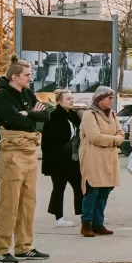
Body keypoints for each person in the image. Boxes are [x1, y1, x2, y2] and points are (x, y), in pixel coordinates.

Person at [0, 61, 51, 263]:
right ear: (14, 77)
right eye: (26, 74)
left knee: (28, 202)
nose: (29, 77)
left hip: (29, 150)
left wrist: (29, 114)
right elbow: (15, 120)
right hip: (12, 151)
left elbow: (45, 115)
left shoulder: (27, 92)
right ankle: (1, 249)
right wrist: (29, 116)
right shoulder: (2, 95)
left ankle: (24, 246)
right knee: (8, 203)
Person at [77, 87, 125, 236]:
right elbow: (95, 136)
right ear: (100, 98)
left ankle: (98, 223)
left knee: (105, 191)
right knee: (92, 191)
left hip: (109, 157)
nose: (112, 100)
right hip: (93, 156)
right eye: (109, 98)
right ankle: (86, 224)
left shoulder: (112, 115)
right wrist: (114, 140)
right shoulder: (89, 115)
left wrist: (115, 139)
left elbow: (121, 133)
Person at [40, 90, 84, 228]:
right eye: (68, 99)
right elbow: (49, 141)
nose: (71, 101)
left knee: (79, 186)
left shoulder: (72, 115)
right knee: (59, 188)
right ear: (59, 101)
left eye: (72, 98)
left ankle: (84, 213)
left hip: (72, 158)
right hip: (58, 159)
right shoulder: (54, 116)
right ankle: (59, 217)